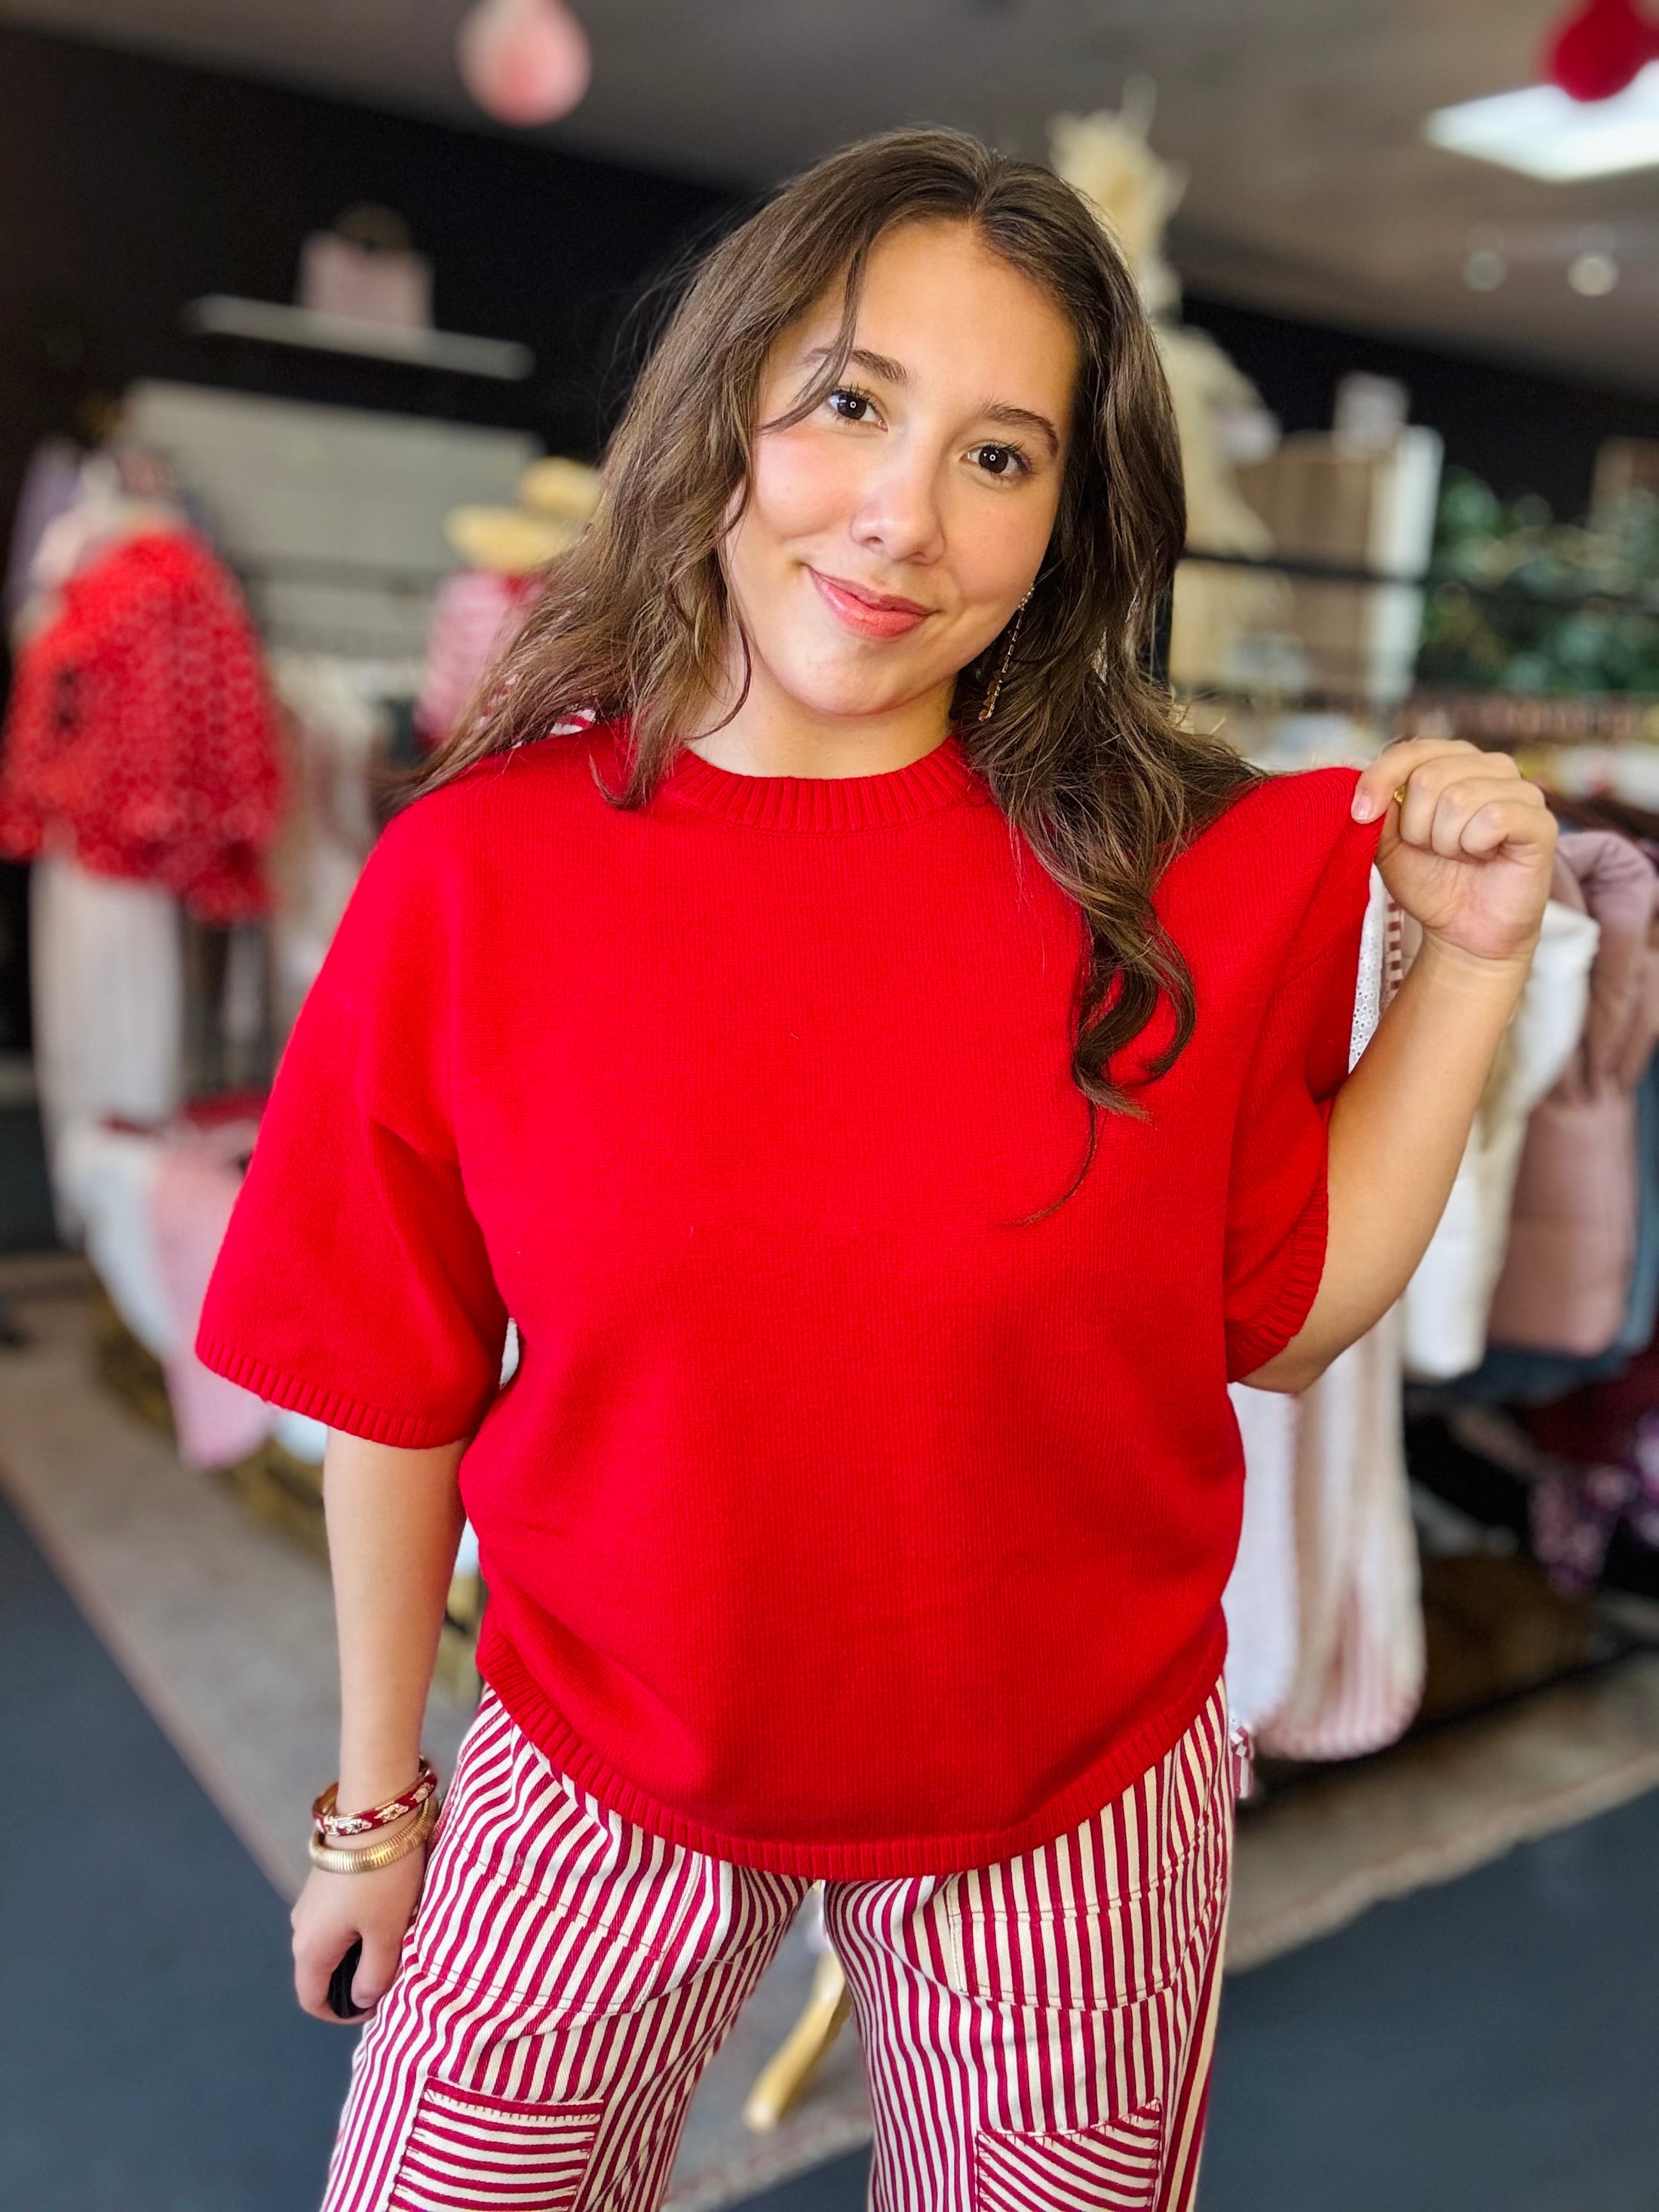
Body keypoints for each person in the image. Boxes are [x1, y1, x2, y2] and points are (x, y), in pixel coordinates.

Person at [198, 127, 1556, 2212]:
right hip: (592, 1754)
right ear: (730, 401)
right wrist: (373, 1812)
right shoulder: (483, 875)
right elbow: (394, 1374)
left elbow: (1279, 1321)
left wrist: (1467, 971)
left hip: (1070, 1794)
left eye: (1002, 458)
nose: (904, 519)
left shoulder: (1169, 876)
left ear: (1068, 524)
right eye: (852, 404)